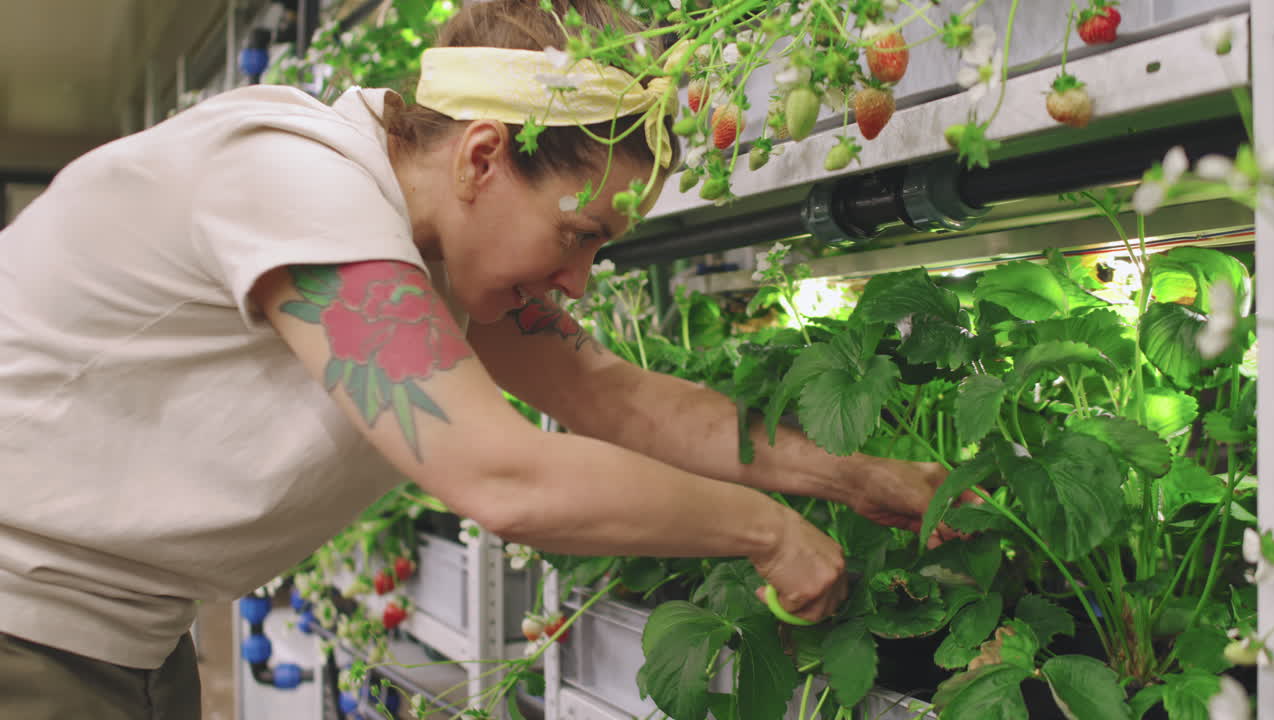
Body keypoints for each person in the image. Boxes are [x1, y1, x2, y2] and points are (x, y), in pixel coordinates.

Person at [0, 0, 960, 716]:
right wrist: (768, 532)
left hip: (123, 624)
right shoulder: (294, 181)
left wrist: (854, 476)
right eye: (579, 234)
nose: (581, 283)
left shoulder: (428, 245)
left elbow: (610, 395)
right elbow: (503, 478)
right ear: (482, 157)